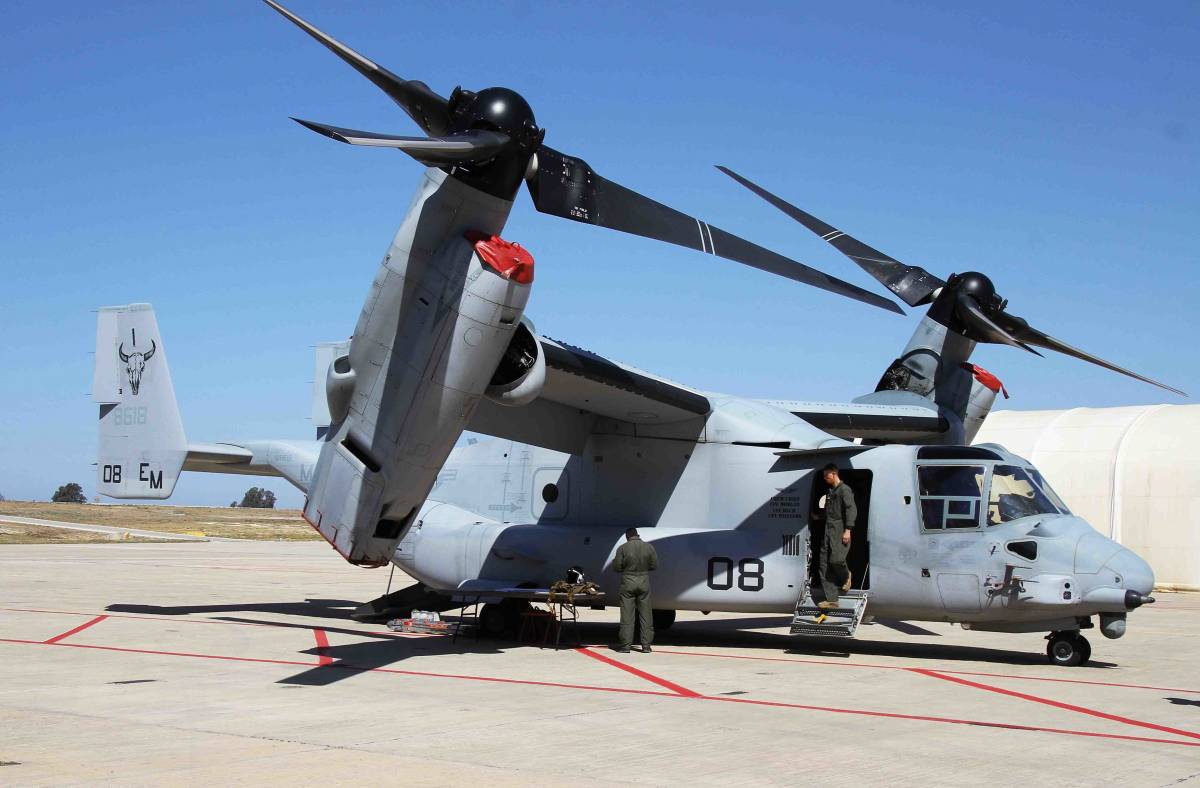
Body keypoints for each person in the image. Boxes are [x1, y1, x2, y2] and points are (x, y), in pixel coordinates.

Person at [611, 527, 658, 653]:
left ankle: (626, 646)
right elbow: (654, 565)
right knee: (646, 614)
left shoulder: (623, 548)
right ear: (637, 535)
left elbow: (617, 567)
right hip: (644, 581)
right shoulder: (649, 547)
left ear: (627, 537)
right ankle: (646, 645)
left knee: (627, 616)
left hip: (628, 582)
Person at [816, 463, 857, 609]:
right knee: (824, 565)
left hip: (839, 530)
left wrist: (848, 530)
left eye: (826, 475)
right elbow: (830, 512)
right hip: (828, 530)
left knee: (837, 560)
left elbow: (851, 510)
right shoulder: (830, 492)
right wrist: (818, 517)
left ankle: (846, 576)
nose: (825, 478)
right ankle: (832, 600)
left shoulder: (844, 490)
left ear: (834, 474)